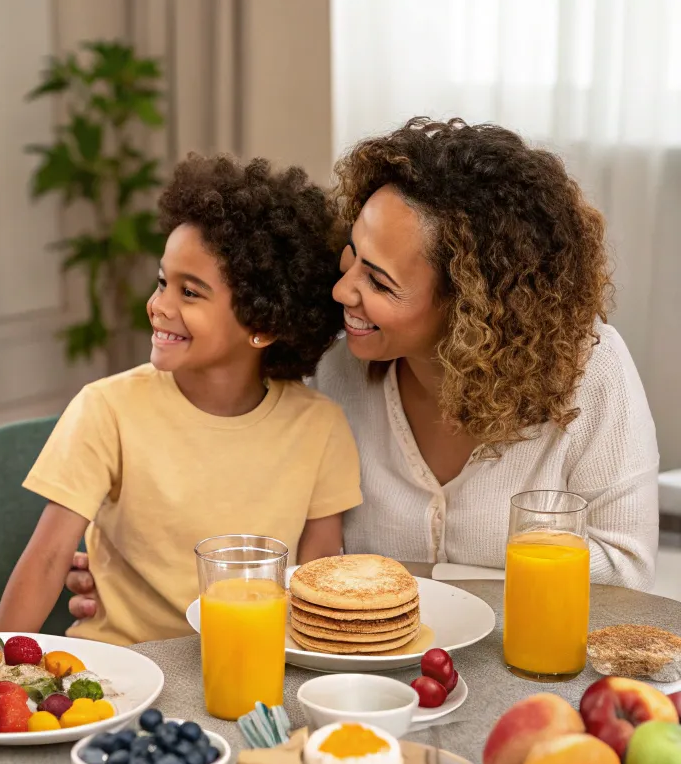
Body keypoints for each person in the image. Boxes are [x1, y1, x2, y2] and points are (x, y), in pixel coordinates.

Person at [64, 118, 659, 621]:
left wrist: (431, 580)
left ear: (473, 309)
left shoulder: (590, 373)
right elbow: (245, 487)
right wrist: (131, 566)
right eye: (352, 252)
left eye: (379, 281)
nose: (342, 289)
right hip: (364, 674)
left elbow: (625, 582)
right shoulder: (335, 362)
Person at [0, 154, 362, 645]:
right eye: (163, 280)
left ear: (263, 324)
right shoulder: (107, 408)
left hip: (253, 663)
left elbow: (314, 583)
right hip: (123, 672)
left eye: (190, 293)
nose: (159, 305)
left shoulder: (320, 428)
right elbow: (46, 560)